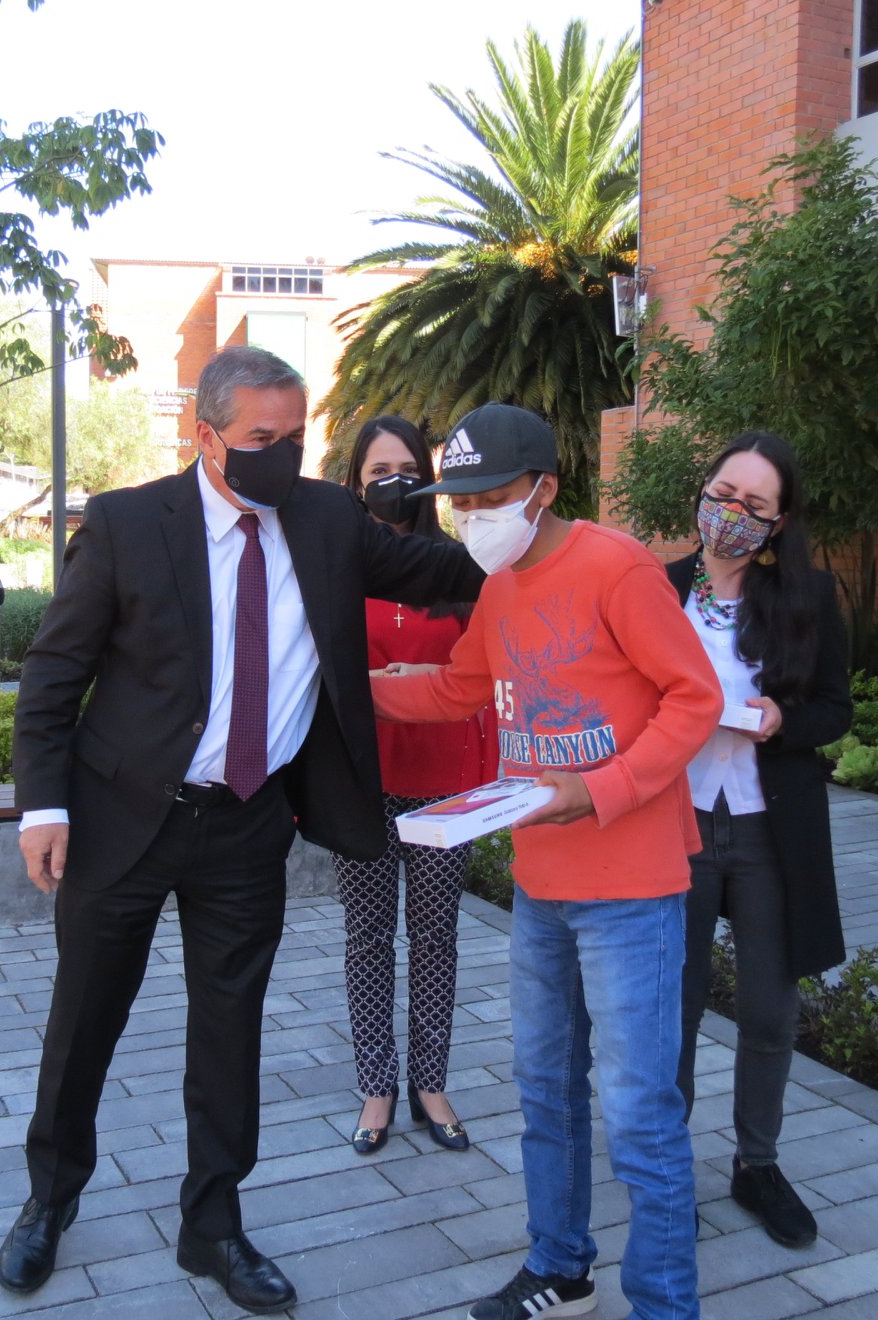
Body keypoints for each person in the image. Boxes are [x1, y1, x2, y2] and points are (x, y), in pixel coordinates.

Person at [0, 347, 484, 1314]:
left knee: (229, 1033)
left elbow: (445, 566)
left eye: (296, 437)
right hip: (121, 821)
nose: (282, 456)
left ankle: (213, 1227)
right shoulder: (130, 523)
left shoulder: (327, 518)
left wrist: (549, 544)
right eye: (262, 439)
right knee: (85, 1020)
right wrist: (42, 806)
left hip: (248, 825)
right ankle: (48, 1201)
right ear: (206, 436)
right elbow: (54, 677)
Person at [373, 403, 721, 1320]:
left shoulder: (619, 568)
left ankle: (663, 1305)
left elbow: (695, 698)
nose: (473, 516)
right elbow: (457, 686)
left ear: (545, 489)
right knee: (546, 1097)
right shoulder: (499, 587)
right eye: (461, 501)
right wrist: (344, 685)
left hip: (633, 889)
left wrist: (600, 789)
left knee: (642, 1117)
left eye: (491, 498)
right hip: (542, 886)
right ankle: (561, 1268)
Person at [667, 432, 851, 1250]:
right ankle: (664, 1164)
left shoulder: (807, 596)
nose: (731, 514)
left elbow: (836, 708)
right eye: (722, 492)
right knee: (670, 1007)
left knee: (771, 1009)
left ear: (778, 525)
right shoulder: (656, 585)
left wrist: (782, 721)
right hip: (674, 825)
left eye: (754, 505)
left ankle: (758, 1164)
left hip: (768, 828)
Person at [337, 417, 496, 1156]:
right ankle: (377, 1085)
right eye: (377, 468)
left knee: (435, 936)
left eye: (406, 466)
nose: (391, 480)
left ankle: (430, 1082)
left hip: (444, 781)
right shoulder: (331, 564)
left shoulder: (457, 566)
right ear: (354, 480)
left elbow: (488, 667)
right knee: (368, 937)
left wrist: (429, 680)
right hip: (362, 780)